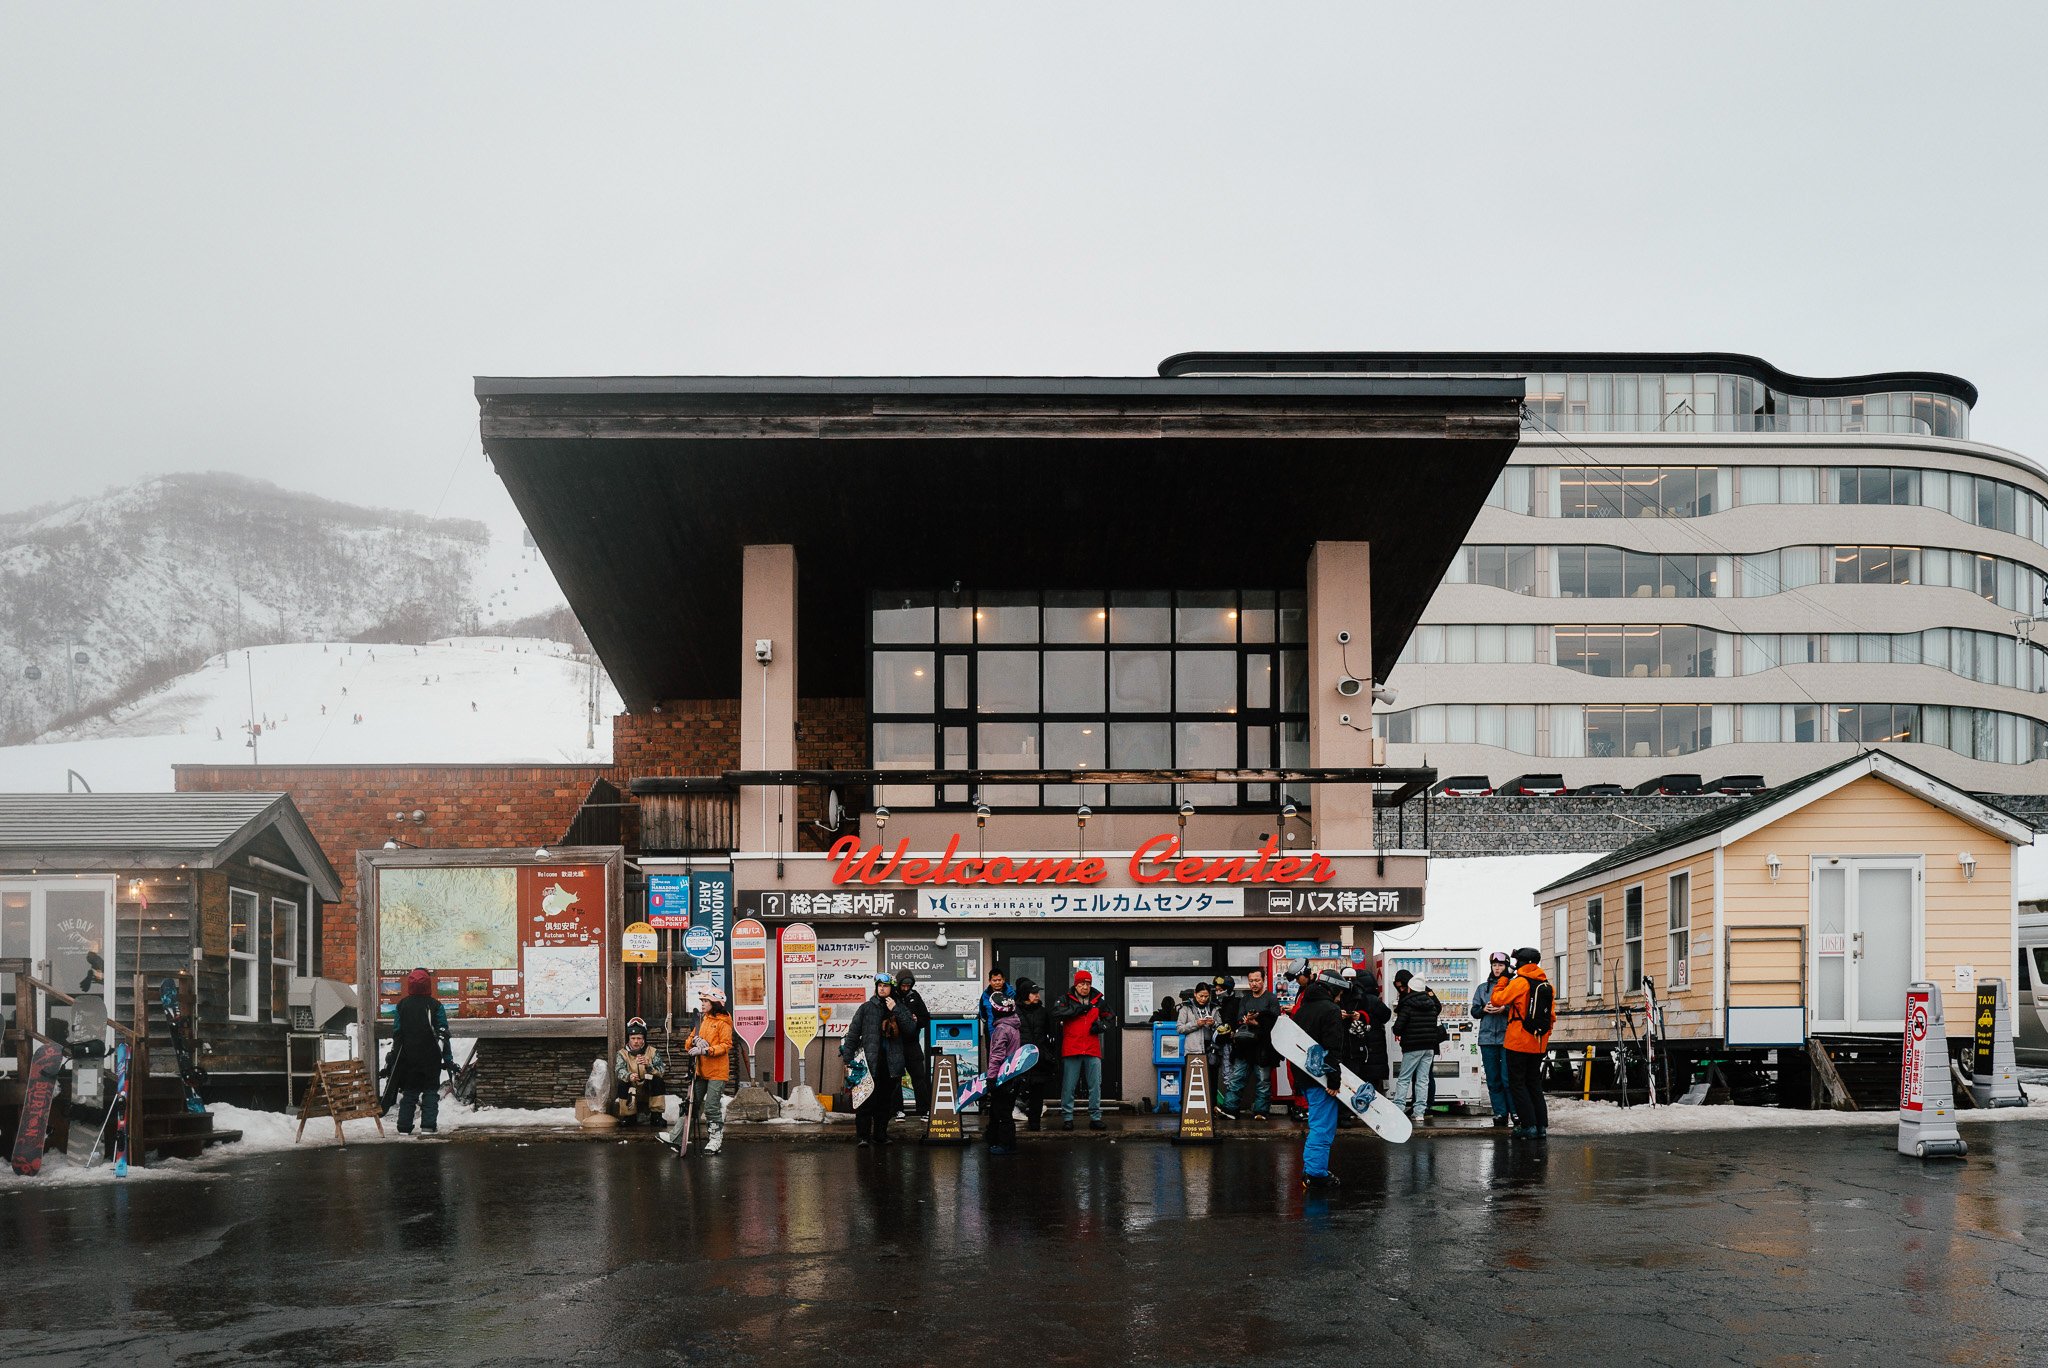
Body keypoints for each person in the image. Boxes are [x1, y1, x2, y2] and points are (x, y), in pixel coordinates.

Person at [841, 974, 917, 1146]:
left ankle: (880, 1135)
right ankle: (863, 1136)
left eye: (885, 986)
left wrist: (896, 1009)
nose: (882, 988)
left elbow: (911, 1030)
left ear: (892, 988)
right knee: (865, 1101)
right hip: (868, 1064)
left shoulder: (899, 1007)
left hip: (891, 1064)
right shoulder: (866, 1008)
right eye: (879, 985)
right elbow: (853, 1034)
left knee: (884, 1103)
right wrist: (848, 1059)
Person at [1290, 970, 1349, 1189]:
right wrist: (1333, 1081)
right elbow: (1332, 1048)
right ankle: (1315, 1174)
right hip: (1321, 1079)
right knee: (1322, 1127)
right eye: (1339, 993)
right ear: (1332, 989)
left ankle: (1312, 1169)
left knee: (1317, 1123)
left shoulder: (1302, 1009)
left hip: (1304, 1076)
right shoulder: (1331, 1010)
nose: (1339, 998)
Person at [1491, 947, 1555, 1138]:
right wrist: (1543, 1037)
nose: (1515, 964)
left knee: (1517, 1084)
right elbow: (1551, 1017)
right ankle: (1541, 1127)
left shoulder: (1520, 982)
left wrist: (1503, 979)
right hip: (1538, 1043)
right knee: (1534, 1083)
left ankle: (1528, 1126)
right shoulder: (1547, 985)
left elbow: (1497, 999)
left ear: (1523, 963)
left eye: (1517, 960)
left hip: (1518, 1041)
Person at [664, 988, 733, 1154]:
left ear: (715, 1003)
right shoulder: (702, 1020)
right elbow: (688, 1042)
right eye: (702, 1001)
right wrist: (695, 1040)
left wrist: (706, 1050)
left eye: (706, 1001)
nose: (702, 1004)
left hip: (717, 1072)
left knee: (711, 1107)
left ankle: (715, 1140)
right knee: (691, 1105)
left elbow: (726, 1045)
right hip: (700, 1070)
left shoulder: (723, 1023)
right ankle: (676, 1137)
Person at [388, 967, 454, 1137]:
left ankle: (404, 1127)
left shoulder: (402, 1005)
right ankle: (428, 1126)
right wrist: (447, 1058)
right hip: (431, 1056)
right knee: (430, 1091)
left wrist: (395, 1055)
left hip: (409, 1057)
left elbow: (397, 1032)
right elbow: (443, 1033)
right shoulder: (435, 1005)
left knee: (410, 1092)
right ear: (428, 984)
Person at [1051, 968, 1113, 1130]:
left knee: (1095, 1085)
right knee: (1069, 1086)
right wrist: (1077, 1009)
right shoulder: (1065, 999)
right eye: (1081, 984)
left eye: (1088, 984)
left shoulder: (1098, 1001)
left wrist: (1101, 1026)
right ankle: (1068, 1118)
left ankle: (1095, 1117)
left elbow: (1110, 1017)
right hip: (1071, 1048)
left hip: (1092, 1048)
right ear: (1076, 985)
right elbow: (1056, 1013)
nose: (1085, 987)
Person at [1219, 967, 1276, 1121]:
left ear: (1263, 980)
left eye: (1257, 980)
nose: (1254, 984)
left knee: (1263, 1081)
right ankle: (1230, 1109)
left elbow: (1275, 1021)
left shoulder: (1271, 998)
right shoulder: (1245, 999)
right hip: (1244, 1045)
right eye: (1251, 981)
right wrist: (1245, 1020)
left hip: (1263, 1047)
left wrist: (1257, 1022)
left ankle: (1261, 1111)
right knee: (1236, 1078)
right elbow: (1239, 1019)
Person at [1391, 970, 1444, 1125]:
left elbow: (1398, 1028)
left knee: (1404, 1078)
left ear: (1410, 988)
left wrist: (1397, 1028)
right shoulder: (1432, 1005)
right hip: (1429, 1047)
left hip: (1412, 1047)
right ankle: (1420, 1112)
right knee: (1423, 1079)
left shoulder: (1407, 1005)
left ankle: (1399, 1108)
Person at [1473, 952, 1516, 1128]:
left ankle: (1515, 1112)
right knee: (1492, 1079)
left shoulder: (1513, 986)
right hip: (1487, 1038)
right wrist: (1484, 1009)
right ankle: (1500, 1113)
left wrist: (1504, 1009)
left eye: (1501, 965)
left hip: (1508, 1038)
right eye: (1494, 965)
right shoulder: (1482, 988)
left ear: (1506, 966)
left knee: (1508, 1078)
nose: (1497, 968)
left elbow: (1520, 1009)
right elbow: (1474, 1011)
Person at [1013, 976, 1058, 1131]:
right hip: (1020, 1058)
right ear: (1025, 994)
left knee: (1037, 1093)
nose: (1037, 995)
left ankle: (1035, 1124)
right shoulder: (1015, 1012)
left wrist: (1047, 1052)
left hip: (1039, 1058)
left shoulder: (1043, 1012)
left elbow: (1050, 1033)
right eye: (1033, 993)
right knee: (1018, 1089)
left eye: (1038, 992)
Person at [984, 993, 1023, 1155]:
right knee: (1000, 1109)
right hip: (1013, 1075)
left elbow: (997, 1056)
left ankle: (1006, 1144)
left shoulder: (1001, 1029)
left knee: (1002, 1111)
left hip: (1002, 1077)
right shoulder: (1013, 1025)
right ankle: (994, 1138)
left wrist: (991, 1077)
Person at [613, 1016, 668, 1127]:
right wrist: (629, 1076)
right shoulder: (622, 1053)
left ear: (643, 1039)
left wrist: (649, 1066)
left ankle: (656, 1116)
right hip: (632, 1086)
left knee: (658, 1081)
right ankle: (629, 1116)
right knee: (623, 1083)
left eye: (639, 1038)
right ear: (629, 1038)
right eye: (633, 1038)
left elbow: (661, 1071)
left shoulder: (653, 1051)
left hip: (648, 1086)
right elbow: (619, 1070)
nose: (636, 1041)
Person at [895, 970, 934, 1117]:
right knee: (895, 1079)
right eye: (903, 986)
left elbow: (926, 1018)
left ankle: (924, 1110)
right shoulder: (892, 996)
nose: (906, 988)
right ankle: (897, 1110)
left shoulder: (915, 996)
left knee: (919, 1077)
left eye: (908, 986)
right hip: (896, 1044)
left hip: (912, 1044)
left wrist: (917, 1020)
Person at [978, 969, 1009, 1064]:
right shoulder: (985, 995)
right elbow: (982, 1013)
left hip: (1008, 1030)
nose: (997, 983)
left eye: (999, 980)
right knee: (992, 1056)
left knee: (1008, 1055)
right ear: (990, 981)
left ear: (1003, 980)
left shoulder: (1011, 993)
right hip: (991, 1030)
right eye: (994, 980)